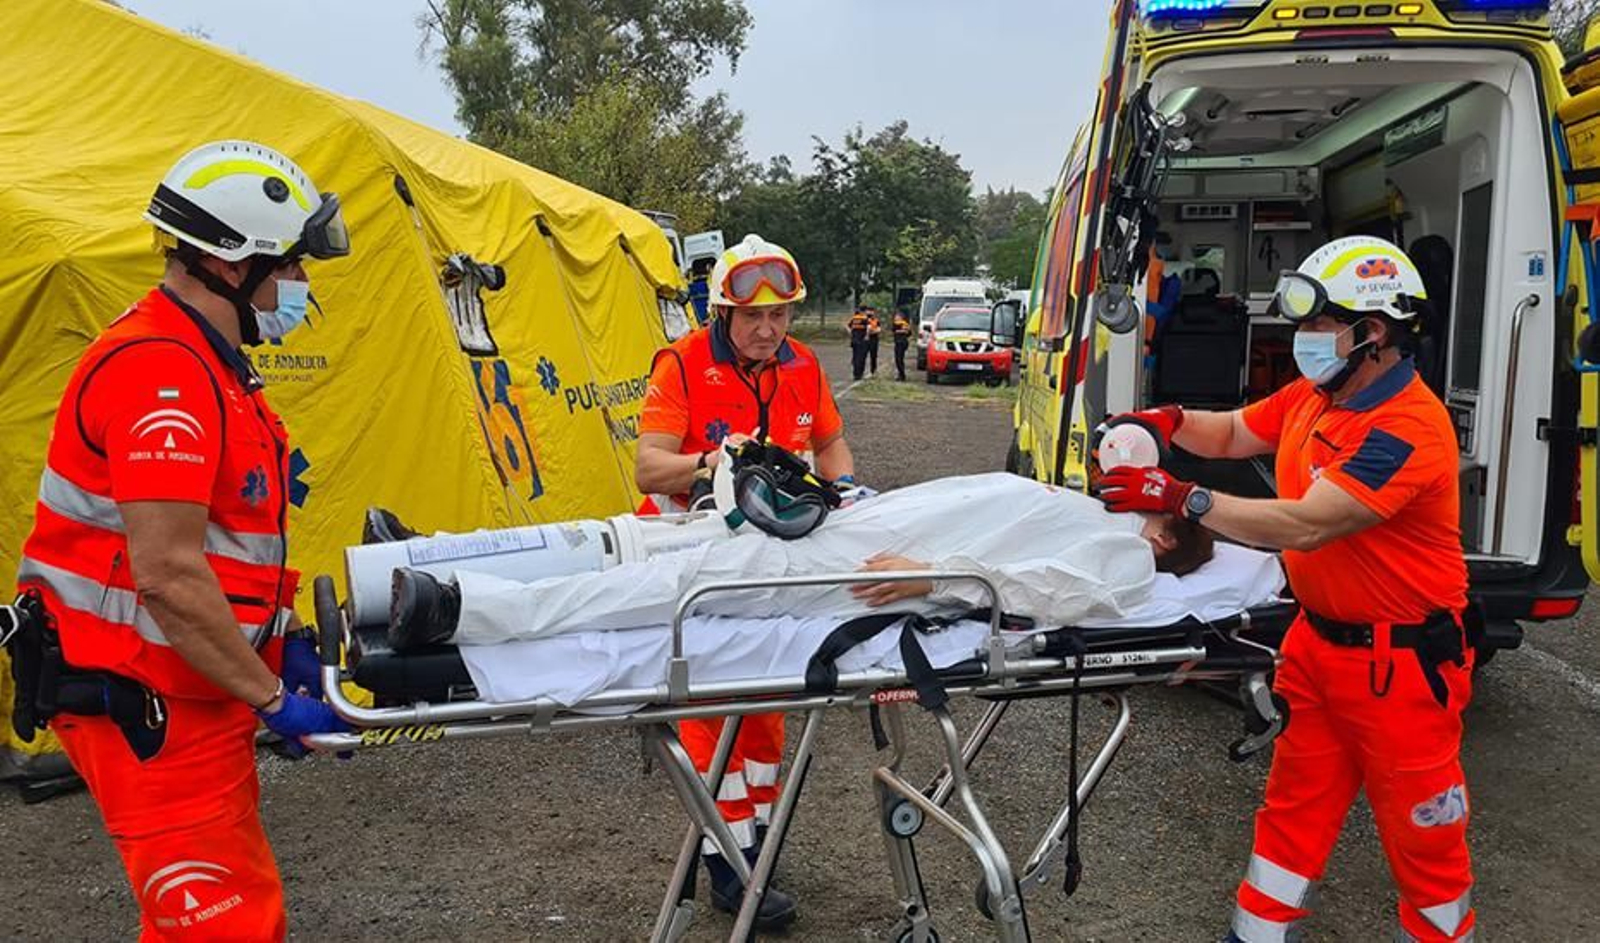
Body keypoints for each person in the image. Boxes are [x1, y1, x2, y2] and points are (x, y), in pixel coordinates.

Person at [12, 140, 353, 939]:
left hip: (187, 688)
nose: (300, 284)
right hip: (143, 701)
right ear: (232, 264)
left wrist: (279, 645)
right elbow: (166, 572)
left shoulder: (208, 363)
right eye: (291, 264)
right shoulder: (160, 375)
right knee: (222, 926)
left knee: (210, 918)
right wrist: (273, 698)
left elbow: (230, 548)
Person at [1097, 236, 1474, 943]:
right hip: (1317, 646)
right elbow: (1235, 432)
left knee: (1425, 829)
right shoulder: (1318, 395)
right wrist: (1166, 420)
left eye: (1319, 323)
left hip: (1401, 666)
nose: (1305, 339)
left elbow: (1307, 524)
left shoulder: (1408, 428)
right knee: (1294, 808)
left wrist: (1182, 498)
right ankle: (1257, 934)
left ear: (1374, 332)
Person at [629, 233, 857, 929]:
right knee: (709, 714)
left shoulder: (802, 365)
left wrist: (846, 490)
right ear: (723, 313)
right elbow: (648, 466)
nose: (767, 329)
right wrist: (711, 463)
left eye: (779, 315)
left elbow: (830, 443)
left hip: (769, 561)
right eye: (753, 316)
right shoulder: (683, 363)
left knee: (766, 712)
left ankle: (753, 843)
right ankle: (729, 869)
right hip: (691, 553)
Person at [386, 472, 1214, 647]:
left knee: (665, 586)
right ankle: (432, 554)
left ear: (1168, 534)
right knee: (636, 540)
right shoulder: (1089, 507)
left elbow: (1059, 594)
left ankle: (463, 610)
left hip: (862, 567)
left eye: (1161, 502)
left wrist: (942, 579)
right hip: (841, 525)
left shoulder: (1128, 557)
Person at [847, 304, 871, 380]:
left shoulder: (854, 318)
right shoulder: (865, 318)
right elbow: (868, 328)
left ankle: (855, 374)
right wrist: (867, 336)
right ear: (865, 311)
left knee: (855, 356)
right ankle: (859, 374)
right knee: (861, 357)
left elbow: (848, 326)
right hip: (862, 340)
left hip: (854, 339)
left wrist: (851, 333)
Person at [892, 308, 914, 381]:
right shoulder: (900, 324)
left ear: (900, 317)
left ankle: (902, 375)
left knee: (899, 359)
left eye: (897, 316)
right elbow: (908, 333)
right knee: (899, 359)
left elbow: (908, 333)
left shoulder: (902, 324)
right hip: (900, 342)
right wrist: (903, 331)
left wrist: (902, 331)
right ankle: (901, 374)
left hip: (901, 343)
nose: (895, 317)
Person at [865, 307, 883, 376]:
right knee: (862, 356)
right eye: (868, 311)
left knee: (873, 356)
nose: (870, 313)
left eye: (871, 311)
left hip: (874, 339)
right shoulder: (864, 319)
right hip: (864, 340)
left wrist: (871, 331)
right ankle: (860, 371)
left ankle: (873, 371)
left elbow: (879, 330)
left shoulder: (876, 320)